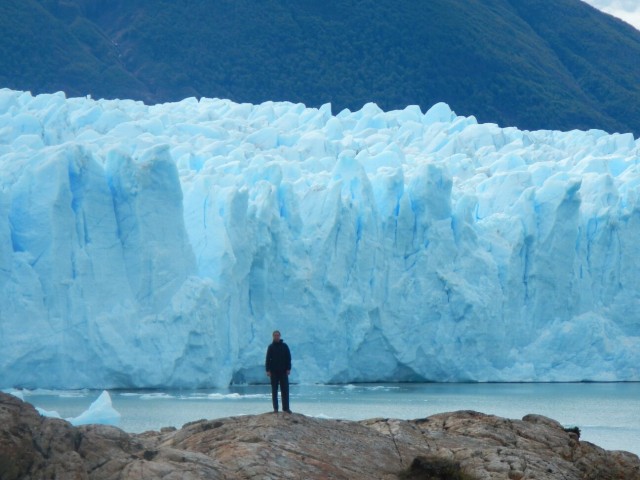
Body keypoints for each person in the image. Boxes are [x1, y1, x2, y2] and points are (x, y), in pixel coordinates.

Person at [265, 330, 292, 413]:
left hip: (283, 372)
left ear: (280, 336)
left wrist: (288, 368)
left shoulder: (284, 346)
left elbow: (288, 358)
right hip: (274, 372)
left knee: (285, 390)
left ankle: (286, 408)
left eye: (277, 335)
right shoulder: (271, 347)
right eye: (275, 335)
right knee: (274, 391)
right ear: (273, 337)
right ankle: (275, 408)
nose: (276, 337)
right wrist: (267, 370)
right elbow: (268, 359)